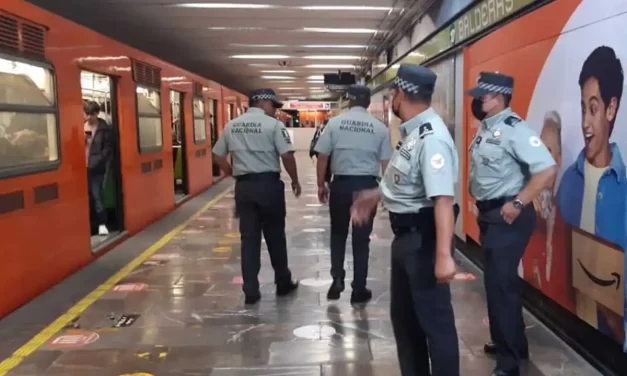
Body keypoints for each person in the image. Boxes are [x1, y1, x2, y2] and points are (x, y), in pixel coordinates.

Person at [351, 64, 462, 376]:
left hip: (423, 242)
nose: (391, 101)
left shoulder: (432, 138)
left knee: (435, 326)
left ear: (401, 94)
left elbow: (442, 199)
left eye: (392, 95)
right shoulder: (413, 134)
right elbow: (404, 182)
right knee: (405, 322)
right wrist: (376, 194)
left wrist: (443, 258)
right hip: (407, 241)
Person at [467, 72, 557, 376]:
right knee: (500, 285)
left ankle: (508, 364)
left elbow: (546, 170)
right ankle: (514, 344)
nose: (478, 101)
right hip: (491, 217)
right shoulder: (487, 127)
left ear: (499, 97)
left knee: (499, 288)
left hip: (509, 219)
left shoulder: (514, 128)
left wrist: (518, 202)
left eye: (483, 96)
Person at [212, 88, 300, 305]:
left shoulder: (232, 125)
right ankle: (283, 282)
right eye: (273, 106)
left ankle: (251, 290)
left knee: (249, 239)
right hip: (269, 186)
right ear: (262, 103)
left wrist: (233, 173)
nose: (275, 111)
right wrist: (295, 180)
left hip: (245, 188)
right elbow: (286, 155)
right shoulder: (274, 125)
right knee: (275, 236)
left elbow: (217, 155)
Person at [313, 85, 392, 303]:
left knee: (338, 234)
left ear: (349, 102)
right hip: (366, 187)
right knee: (361, 239)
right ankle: (359, 288)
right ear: (368, 103)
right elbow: (387, 163)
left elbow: (322, 156)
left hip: (340, 186)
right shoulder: (379, 128)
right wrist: (383, 193)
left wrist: (321, 184)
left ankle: (337, 278)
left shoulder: (335, 124)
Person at [85, 101, 114, 236]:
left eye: (92, 114)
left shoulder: (103, 128)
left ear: (97, 113)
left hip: (96, 167)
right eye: (87, 114)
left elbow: (108, 149)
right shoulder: (82, 126)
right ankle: (90, 224)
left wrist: (98, 160)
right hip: (81, 167)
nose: (89, 117)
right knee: (87, 197)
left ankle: (102, 223)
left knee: (97, 195)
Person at [309, 118, 332, 184]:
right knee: (327, 168)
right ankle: (326, 181)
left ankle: (323, 180)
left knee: (322, 167)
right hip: (326, 151)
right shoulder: (327, 130)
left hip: (318, 151)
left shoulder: (319, 130)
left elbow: (314, 140)